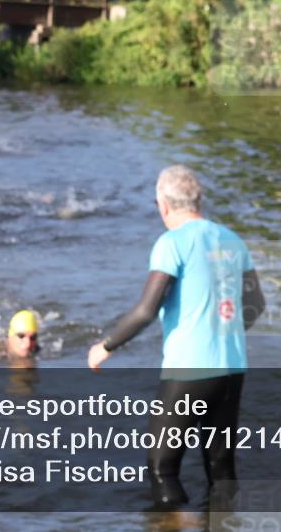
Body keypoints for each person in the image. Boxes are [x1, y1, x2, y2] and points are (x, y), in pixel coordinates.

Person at [88, 165, 266, 508]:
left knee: (162, 468)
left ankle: (171, 523)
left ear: (164, 204)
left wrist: (105, 346)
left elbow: (146, 310)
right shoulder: (232, 239)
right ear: (198, 200)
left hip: (189, 370)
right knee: (221, 467)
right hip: (232, 367)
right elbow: (256, 304)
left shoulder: (172, 243)